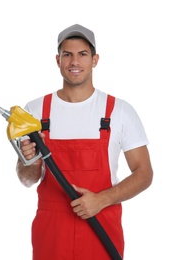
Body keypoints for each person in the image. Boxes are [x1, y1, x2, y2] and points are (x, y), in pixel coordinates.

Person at [16, 24, 153, 259]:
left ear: (95, 59)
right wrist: (28, 161)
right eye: (67, 54)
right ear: (57, 60)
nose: (74, 62)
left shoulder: (119, 111)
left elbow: (144, 173)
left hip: (101, 227)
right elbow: (28, 179)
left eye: (82, 54)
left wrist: (102, 200)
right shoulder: (35, 111)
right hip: (51, 232)